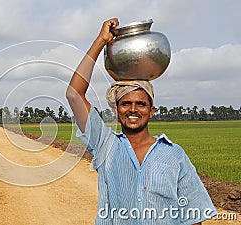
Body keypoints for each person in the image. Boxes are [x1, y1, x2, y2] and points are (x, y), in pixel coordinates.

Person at [66, 18, 217, 224]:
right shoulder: (105, 146)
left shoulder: (174, 155)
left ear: (152, 110)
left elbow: (193, 216)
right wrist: (101, 41)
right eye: (126, 103)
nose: (133, 110)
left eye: (141, 104)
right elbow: (74, 94)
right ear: (116, 110)